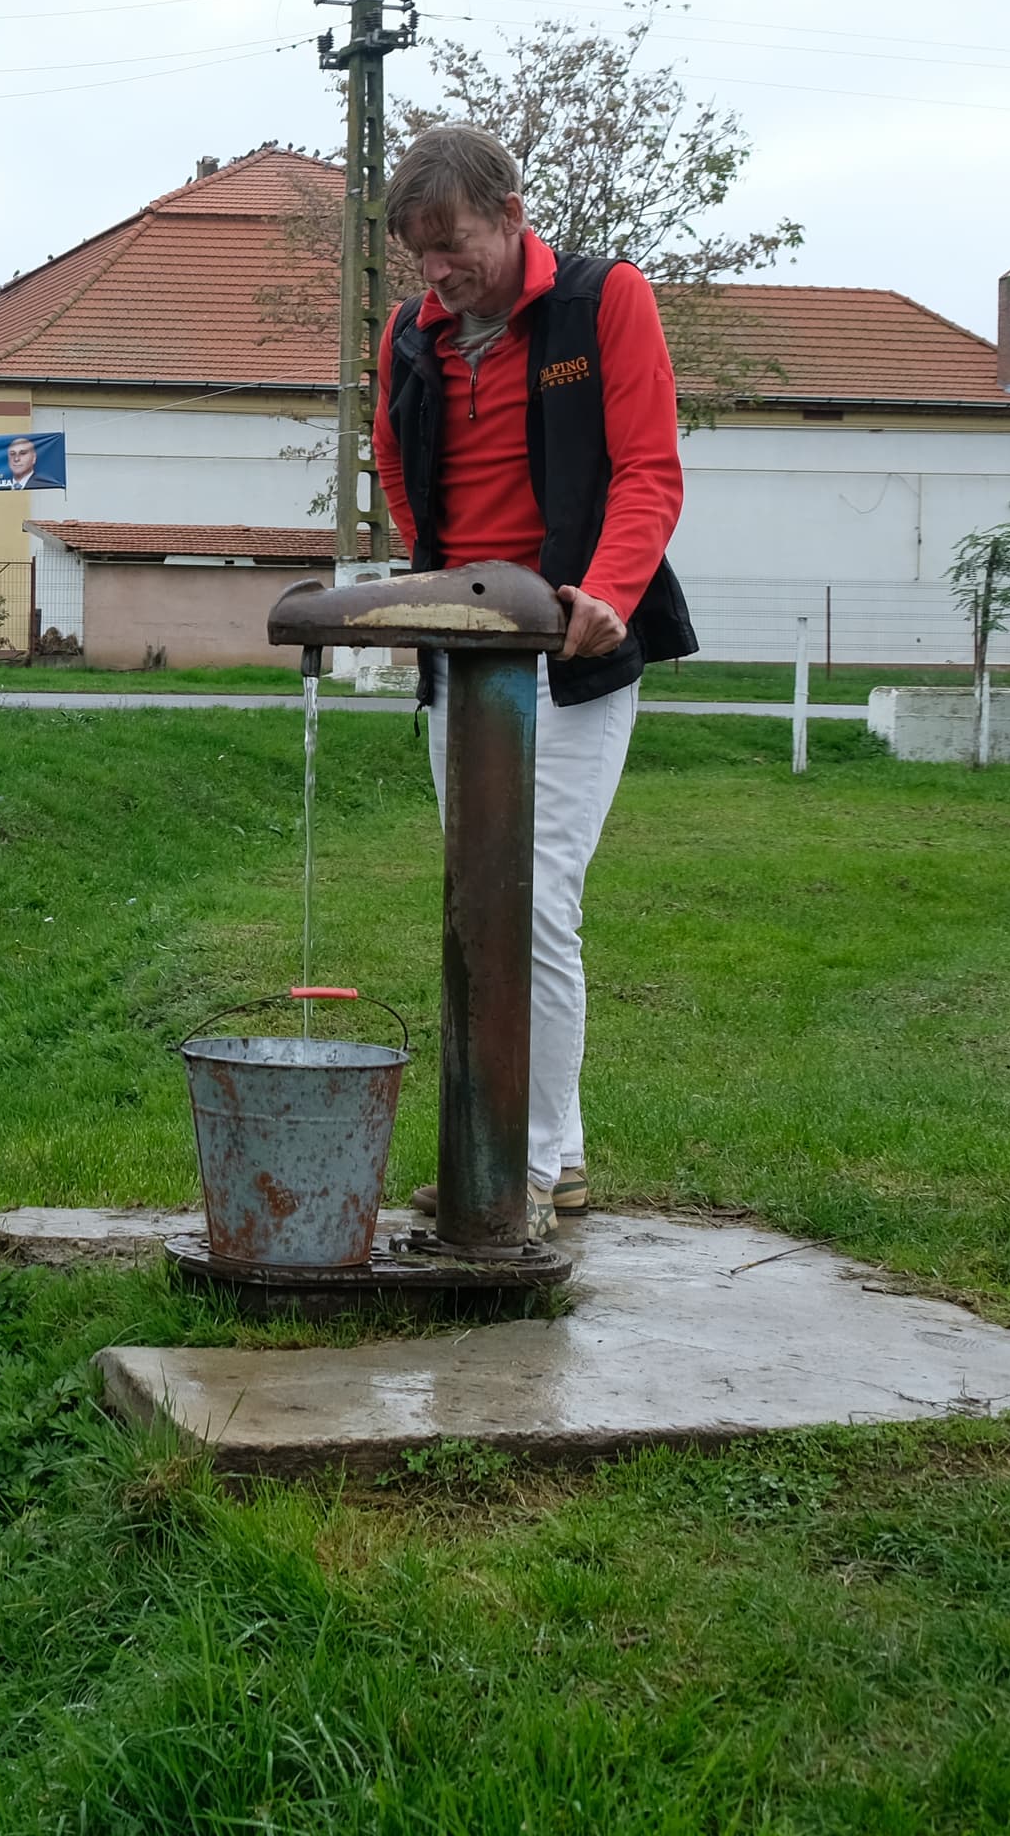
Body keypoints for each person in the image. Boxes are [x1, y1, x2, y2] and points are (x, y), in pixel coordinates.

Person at [368, 125, 697, 1228]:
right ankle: (507, 1141)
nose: (436, 274)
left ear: (510, 210)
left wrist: (603, 591)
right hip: (463, 655)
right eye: (418, 255)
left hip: (573, 654)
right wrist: (444, 589)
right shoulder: (409, 340)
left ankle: (533, 1160)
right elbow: (401, 475)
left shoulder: (603, 304)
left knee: (536, 899)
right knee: (476, 902)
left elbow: (650, 469)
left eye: (452, 245)